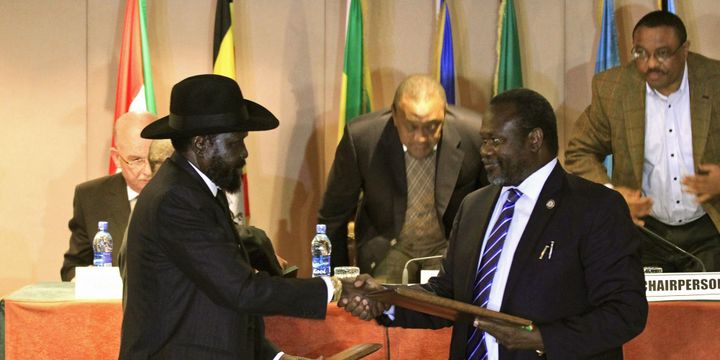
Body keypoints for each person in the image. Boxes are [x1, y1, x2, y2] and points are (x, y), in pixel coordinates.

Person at [340, 89, 647, 359]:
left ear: (535, 140)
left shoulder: (593, 208)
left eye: (497, 140)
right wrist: (386, 301)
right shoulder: (475, 205)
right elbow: (448, 294)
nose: (485, 150)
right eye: (484, 140)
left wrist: (542, 338)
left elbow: (625, 312)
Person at [120, 74, 359, 359]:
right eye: (236, 142)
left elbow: (220, 298)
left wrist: (277, 358)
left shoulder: (200, 190)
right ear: (201, 143)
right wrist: (334, 288)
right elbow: (241, 290)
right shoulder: (176, 199)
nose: (244, 153)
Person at [565, 10, 720, 272]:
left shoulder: (714, 81)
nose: (650, 64)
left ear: (684, 50)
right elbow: (579, 152)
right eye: (640, 53)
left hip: (709, 228)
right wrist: (612, 195)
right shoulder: (613, 88)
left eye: (662, 53)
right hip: (646, 231)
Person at [318, 74, 487, 283]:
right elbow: (333, 216)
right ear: (395, 116)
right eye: (411, 126)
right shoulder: (362, 139)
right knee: (379, 304)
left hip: (448, 250)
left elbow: (492, 207)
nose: (421, 138)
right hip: (388, 249)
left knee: (447, 309)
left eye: (432, 126)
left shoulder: (475, 135)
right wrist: (335, 282)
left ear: (444, 115)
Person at [60, 111, 155, 281]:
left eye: (153, 159)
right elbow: (72, 269)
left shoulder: (186, 193)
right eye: (136, 160)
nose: (148, 171)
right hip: (112, 304)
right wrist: (91, 282)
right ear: (117, 158)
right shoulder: (90, 197)